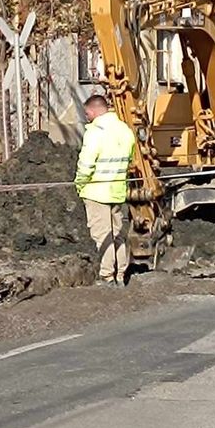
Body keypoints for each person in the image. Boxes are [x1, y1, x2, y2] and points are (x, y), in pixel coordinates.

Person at [74, 95, 135, 287]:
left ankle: (107, 276)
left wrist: (80, 183)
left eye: (87, 113)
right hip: (117, 189)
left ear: (92, 111)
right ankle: (121, 274)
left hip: (96, 191)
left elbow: (86, 163)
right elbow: (130, 158)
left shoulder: (95, 131)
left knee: (103, 235)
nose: (87, 117)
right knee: (117, 234)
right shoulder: (125, 130)